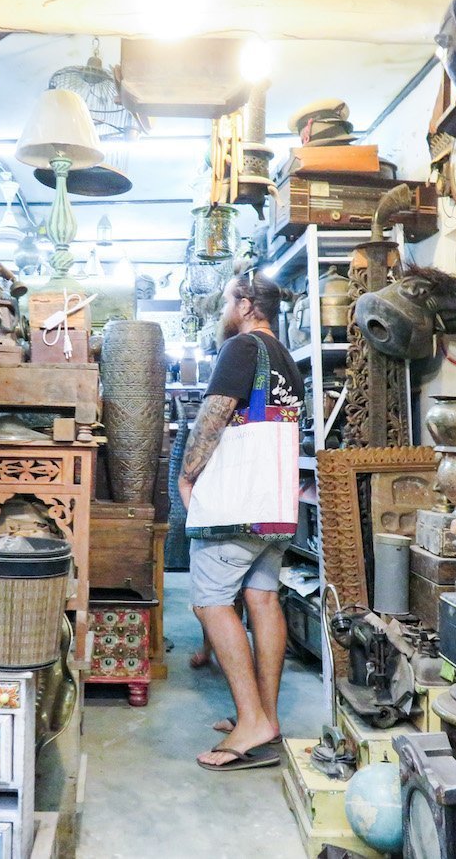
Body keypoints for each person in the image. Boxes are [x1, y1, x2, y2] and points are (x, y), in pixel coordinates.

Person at [179, 271, 304, 771]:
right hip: (274, 501)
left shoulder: (241, 348)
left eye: (229, 300)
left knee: (211, 603)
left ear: (248, 304)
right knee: (261, 598)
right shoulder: (286, 360)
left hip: (236, 503)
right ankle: (265, 717)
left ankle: (252, 719)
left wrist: (188, 476)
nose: (223, 311)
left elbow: (214, 416)